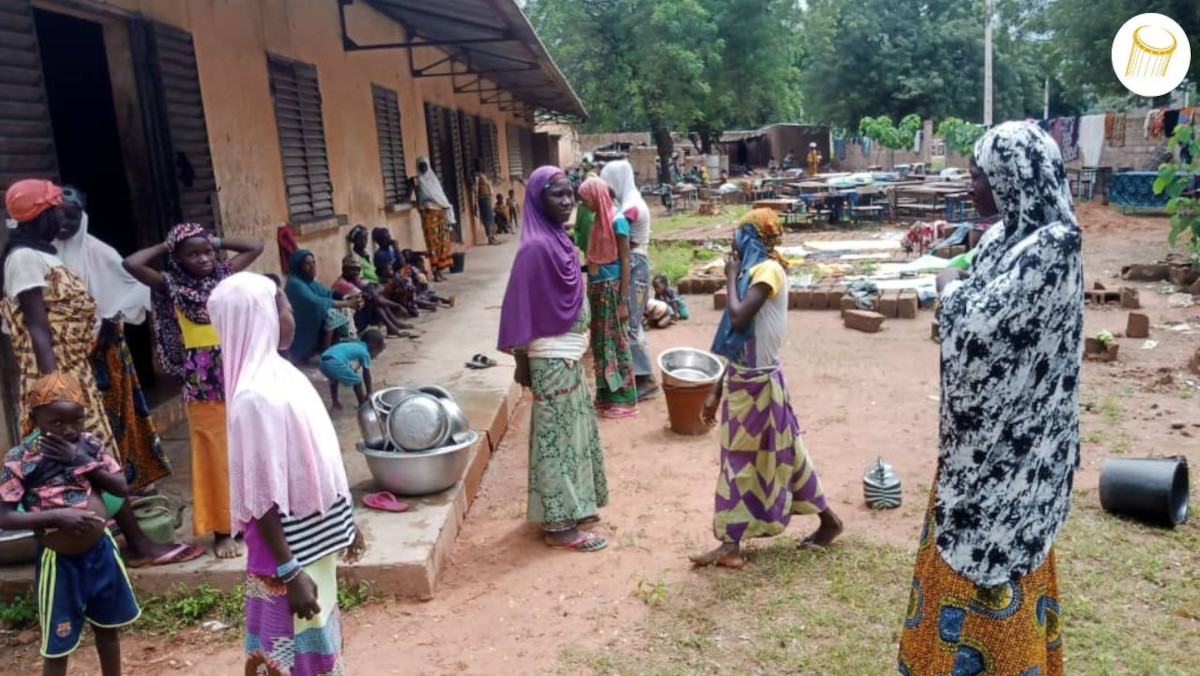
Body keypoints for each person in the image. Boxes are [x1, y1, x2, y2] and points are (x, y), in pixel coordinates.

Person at [898, 122, 1083, 676]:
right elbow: (975, 311)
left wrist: (949, 293)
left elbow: (978, 331)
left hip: (1016, 466)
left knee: (1001, 573)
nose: (971, 186)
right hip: (972, 456)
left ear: (1012, 177)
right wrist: (958, 295)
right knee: (953, 571)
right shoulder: (1005, 238)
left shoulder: (1054, 247)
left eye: (979, 175)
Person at [1, 179, 202, 568]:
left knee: (94, 457)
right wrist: (56, 391)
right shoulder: (24, 258)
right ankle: (132, 545)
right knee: (86, 458)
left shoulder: (43, 254)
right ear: (43, 214)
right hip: (60, 381)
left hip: (75, 374)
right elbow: (38, 328)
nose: (62, 217)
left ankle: (122, 542)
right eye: (57, 209)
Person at [208, 272, 365, 676]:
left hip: (314, 541)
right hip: (287, 557)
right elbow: (261, 495)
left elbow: (320, 461)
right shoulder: (254, 397)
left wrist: (346, 523)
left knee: (319, 643)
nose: (292, 316)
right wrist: (289, 570)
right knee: (289, 654)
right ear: (261, 316)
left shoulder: (281, 373)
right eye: (286, 308)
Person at [691, 209, 843, 569]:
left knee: (738, 462)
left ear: (750, 237)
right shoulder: (752, 274)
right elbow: (737, 344)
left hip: (758, 385)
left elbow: (738, 318)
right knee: (787, 452)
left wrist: (729, 277)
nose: (732, 244)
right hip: (745, 380)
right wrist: (716, 390)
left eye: (737, 236)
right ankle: (829, 521)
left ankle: (730, 544)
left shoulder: (768, 272)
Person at [123, 224, 263, 559]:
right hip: (203, 385)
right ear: (177, 258)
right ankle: (223, 530)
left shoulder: (224, 276)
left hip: (240, 375)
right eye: (192, 254)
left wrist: (213, 239)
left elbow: (255, 246)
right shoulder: (170, 285)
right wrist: (168, 243)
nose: (203, 258)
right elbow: (131, 264)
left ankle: (257, 521)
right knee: (214, 455)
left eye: (207, 251)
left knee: (250, 448)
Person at [498, 166, 608, 552]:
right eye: (556, 194)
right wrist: (522, 359)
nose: (566, 201)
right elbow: (520, 306)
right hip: (552, 359)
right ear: (536, 199)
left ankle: (572, 506)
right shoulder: (534, 249)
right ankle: (559, 526)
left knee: (574, 435)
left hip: (569, 358)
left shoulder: (559, 240)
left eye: (569, 193)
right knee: (555, 440)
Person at [0, 373, 138, 676]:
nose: (69, 430)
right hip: (59, 562)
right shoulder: (20, 458)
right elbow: (5, 516)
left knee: (108, 630)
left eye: (77, 420)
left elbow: (120, 487)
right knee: (57, 645)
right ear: (35, 420)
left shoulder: (88, 444)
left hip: (101, 552)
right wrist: (58, 517)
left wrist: (79, 459)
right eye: (57, 423)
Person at [54, 187, 171, 492]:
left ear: (83, 216)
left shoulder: (98, 251)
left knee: (115, 416)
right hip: (65, 353)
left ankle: (126, 482)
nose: (64, 223)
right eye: (58, 216)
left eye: (71, 216)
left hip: (104, 351)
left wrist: (111, 316)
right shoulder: (43, 253)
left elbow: (136, 286)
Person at [578, 177, 638, 419]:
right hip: (597, 289)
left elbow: (626, 261)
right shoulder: (598, 222)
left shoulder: (618, 221)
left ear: (597, 197)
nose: (585, 204)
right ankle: (606, 395)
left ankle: (625, 399)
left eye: (587, 199)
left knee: (616, 342)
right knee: (601, 343)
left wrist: (623, 301)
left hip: (612, 291)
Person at [600, 160, 659, 401]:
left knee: (631, 322)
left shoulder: (631, 208)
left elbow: (619, 236)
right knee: (631, 323)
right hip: (636, 265)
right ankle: (638, 375)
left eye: (608, 184)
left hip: (635, 266)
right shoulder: (631, 202)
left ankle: (646, 379)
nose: (608, 190)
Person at [283, 250, 364, 364]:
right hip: (301, 326)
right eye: (307, 264)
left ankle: (338, 348)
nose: (312, 267)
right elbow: (316, 302)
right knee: (332, 316)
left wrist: (348, 298)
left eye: (313, 263)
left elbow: (327, 293)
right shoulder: (295, 284)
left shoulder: (309, 282)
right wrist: (347, 303)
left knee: (339, 313)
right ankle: (326, 355)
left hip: (313, 320)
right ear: (298, 266)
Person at [332, 255, 414, 337]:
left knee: (375, 297)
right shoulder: (342, 283)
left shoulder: (354, 279)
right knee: (375, 302)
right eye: (352, 269)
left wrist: (374, 293)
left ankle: (393, 325)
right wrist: (397, 306)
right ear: (344, 269)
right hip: (346, 322)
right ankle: (392, 327)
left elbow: (379, 286)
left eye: (357, 269)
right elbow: (372, 297)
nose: (355, 272)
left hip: (354, 316)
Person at [319, 328, 384, 410]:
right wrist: (369, 392)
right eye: (377, 353)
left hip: (323, 361)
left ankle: (335, 403)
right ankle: (362, 404)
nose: (375, 357)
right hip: (335, 361)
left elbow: (352, 367)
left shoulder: (355, 346)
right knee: (357, 380)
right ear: (373, 347)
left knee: (334, 381)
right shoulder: (364, 353)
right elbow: (366, 374)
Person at [413, 155, 455, 281]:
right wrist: (420, 204)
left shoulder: (433, 180)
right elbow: (410, 196)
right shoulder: (416, 181)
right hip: (428, 217)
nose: (423, 168)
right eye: (420, 166)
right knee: (432, 245)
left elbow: (441, 197)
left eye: (425, 165)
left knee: (442, 244)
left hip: (439, 215)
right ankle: (435, 271)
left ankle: (440, 270)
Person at [475, 160, 499, 245]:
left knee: (491, 219)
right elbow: (476, 190)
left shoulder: (482, 176)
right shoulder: (478, 177)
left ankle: (493, 237)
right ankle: (491, 238)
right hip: (483, 199)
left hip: (487, 198)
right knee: (488, 219)